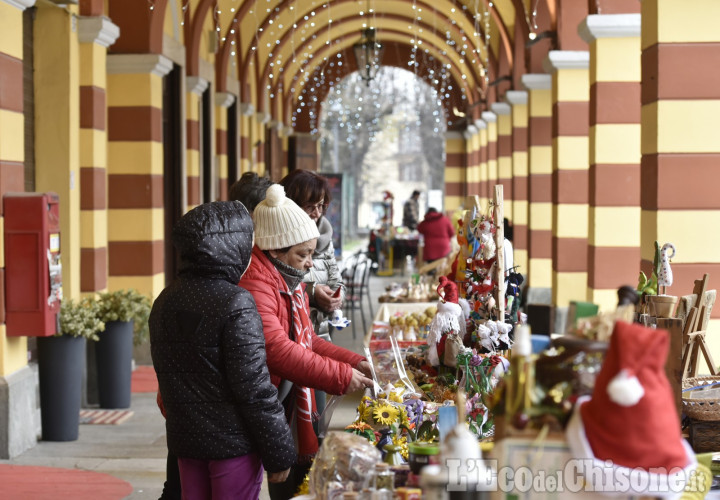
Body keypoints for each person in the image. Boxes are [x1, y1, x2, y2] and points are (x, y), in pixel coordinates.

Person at [150, 201, 296, 499]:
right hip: (233, 446)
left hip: (187, 443)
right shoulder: (235, 302)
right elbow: (254, 387)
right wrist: (279, 451)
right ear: (232, 246)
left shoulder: (166, 299)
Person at [240, 184, 374, 500]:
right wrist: (343, 376)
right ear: (275, 250)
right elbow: (278, 350)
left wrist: (354, 362)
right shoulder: (256, 283)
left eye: (312, 253)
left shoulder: (287, 276)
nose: (310, 263)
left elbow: (308, 340)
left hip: (281, 397)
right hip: (266, 402)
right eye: (304, 254)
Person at [279, 169, 343, 340]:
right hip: (293, 334)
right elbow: (279, 284)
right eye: (310, 206)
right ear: (291, 205)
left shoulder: (324, 235)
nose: (317, 213)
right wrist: (312, 292)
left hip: (322, 332)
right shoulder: (278, 239)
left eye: (321, 205)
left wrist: (336, 297)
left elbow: (336, 279)